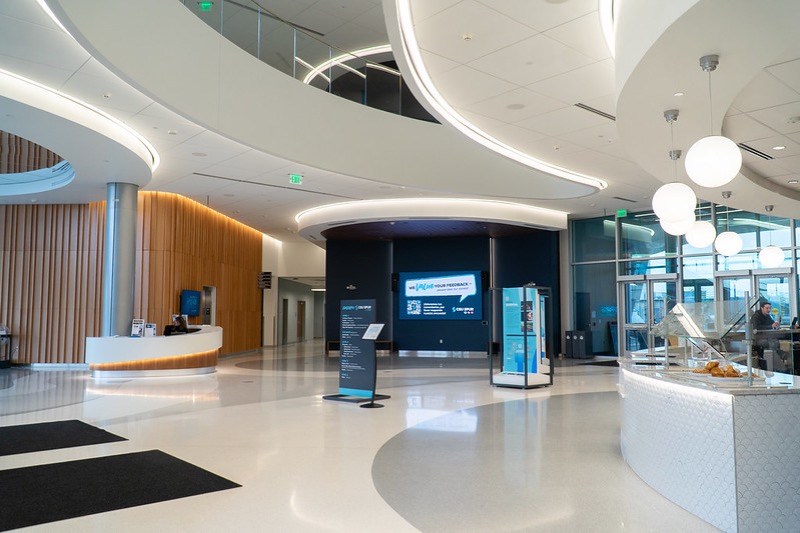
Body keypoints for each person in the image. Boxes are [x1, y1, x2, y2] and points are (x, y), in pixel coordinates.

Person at [751, 301, 779, 370]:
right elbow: (756, 327)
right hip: (758, 339)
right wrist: (771, 326)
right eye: (767, 308)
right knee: (768, 344)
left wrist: (775, 325)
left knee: (776, 343)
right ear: (762, 308)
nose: (769, 310)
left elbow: (772, 324)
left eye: (769, 308)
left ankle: (776, 364)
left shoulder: (768, 316)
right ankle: (767, 366)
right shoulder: (756, 316)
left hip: (766, 337)